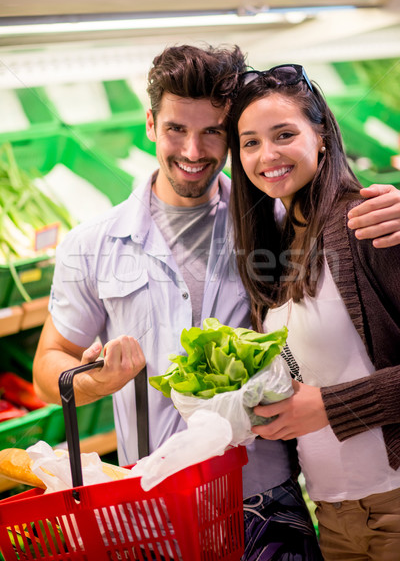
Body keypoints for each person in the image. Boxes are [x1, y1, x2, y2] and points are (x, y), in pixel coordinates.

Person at [33, 46, 400, 560]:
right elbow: (48, 369)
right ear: (150, 125)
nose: (193, 149)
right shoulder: (90, 242)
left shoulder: (277, 221)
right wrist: (100, 380)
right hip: (149, 501)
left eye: (213, 132)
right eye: (176, 129)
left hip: (267, 496)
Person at [228, 63, 400, 560]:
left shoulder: (367, 222)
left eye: (284, 134)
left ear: (321, 135)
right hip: (332, 514)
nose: (268, 155)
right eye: (251, 142)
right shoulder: (276, 245)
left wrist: (329, 406)